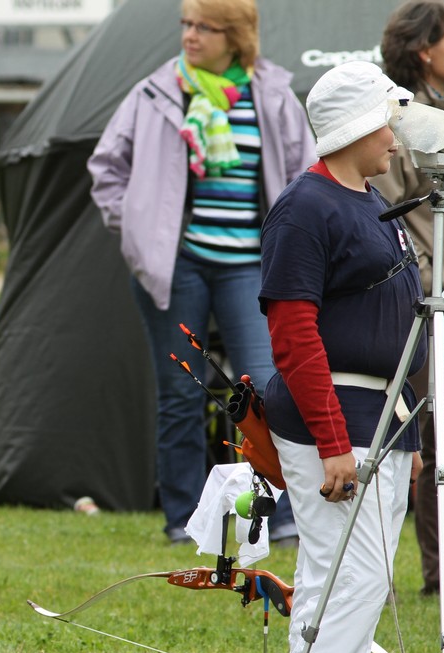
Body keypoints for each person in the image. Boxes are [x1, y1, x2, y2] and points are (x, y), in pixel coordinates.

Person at [88, 0, 314, 546]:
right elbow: (105, 169)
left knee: (264, 390)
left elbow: (304, 171)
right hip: (176, 266)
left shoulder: (272, 93)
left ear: (234, 37)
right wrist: (139, 232)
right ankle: (183, 521)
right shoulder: (155, 91)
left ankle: (278, 516)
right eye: (186, 25)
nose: (190, 36)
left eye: (204, 28)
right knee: (179, 394)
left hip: (249, 268)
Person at [259, 60, 422, 653]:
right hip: (334, 420)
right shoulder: (306, 206)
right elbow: (293, 334)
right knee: (340, 581)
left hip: (381, 421)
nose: (393, 135)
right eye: (385, 119)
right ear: (355, 126)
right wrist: (332, 442)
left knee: (363, 579)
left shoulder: (372, 202)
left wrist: (410, 434)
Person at [375, 1, 444, 597]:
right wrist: (426, 280)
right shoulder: (399, 120)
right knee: (436, 440)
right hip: (432, 302)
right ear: (425, 49)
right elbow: (386, 214)